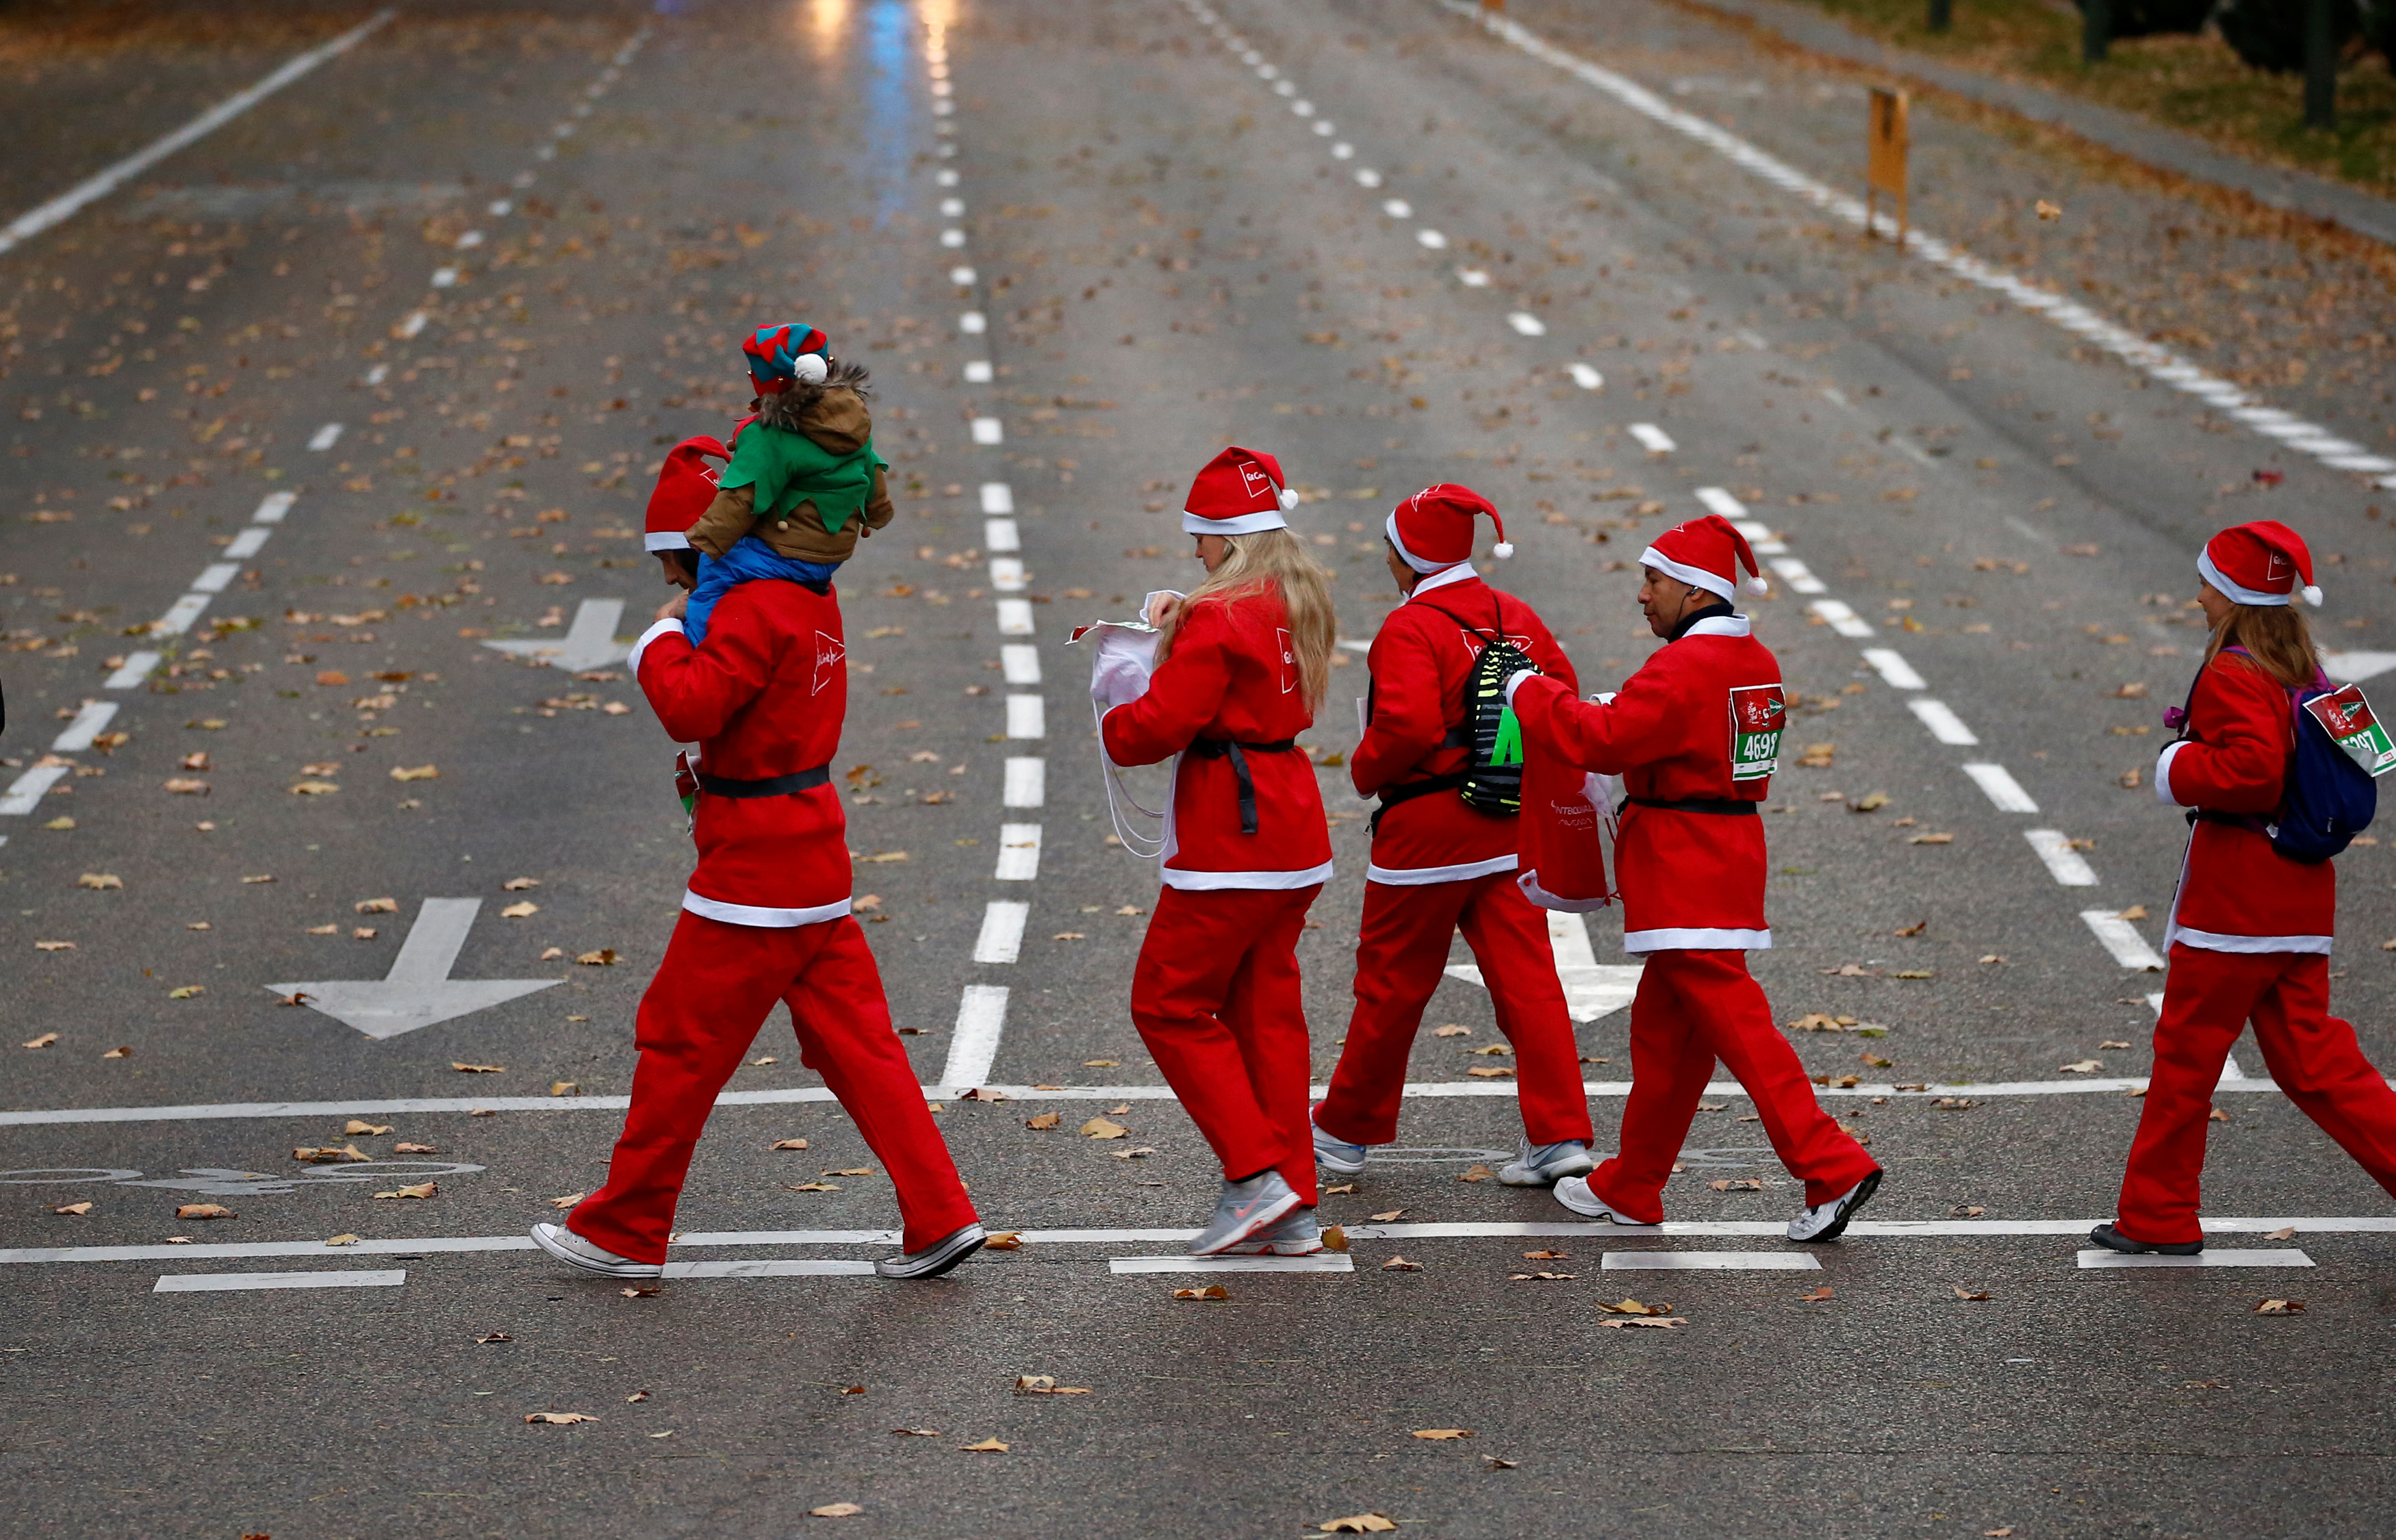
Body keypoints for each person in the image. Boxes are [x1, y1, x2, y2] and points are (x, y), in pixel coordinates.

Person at [531, 508, 984, 1283]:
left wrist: (660, 636)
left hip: (753, 872)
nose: (670, 580)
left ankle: (628, 1226)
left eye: (672, 563)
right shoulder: (807, 589)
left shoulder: (745, 605)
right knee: (860, 1049)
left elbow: (690, 707)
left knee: (677, 1041)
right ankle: (939, 1213)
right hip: (812, 853)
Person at [1503, 513, 1882, 1242]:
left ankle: (1830, 1163)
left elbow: (1599, 741)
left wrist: (1528, 690)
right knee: (1665, 1036)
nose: (1641, 595)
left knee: (1736, 1027)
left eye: (1652, 581)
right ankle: (1633, 1184)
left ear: (1694, 588)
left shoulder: (1683, 666)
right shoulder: (1752, 659)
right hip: (1724, 851)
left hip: (1681, 860)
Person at [2093, 519, 2396, 1255]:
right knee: (2313, 1062)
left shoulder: (2233, 670)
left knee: (2185, 1059)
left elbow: (2252, 773)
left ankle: (2157, 1215)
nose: (2195, 596)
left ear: (2228, 593)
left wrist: (2176, 764)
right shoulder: (2303, 668)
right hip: (2298, 898)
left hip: (2234, 908)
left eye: (2203, 582)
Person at [1311, 484, 1597, 1187]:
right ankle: (1559, 1135)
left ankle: (1345, 1131)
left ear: (1409, 556)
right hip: (1509, 822)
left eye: (1388, 546)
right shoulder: (1515, 615)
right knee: (1529, 981)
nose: (1384, 558)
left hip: (1425, 835)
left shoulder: (1410, 627)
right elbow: (1562, 696)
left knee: (1391, 982)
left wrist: (1361, 767)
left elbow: (1404, 727)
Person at [1098, 446, 1336, 1256]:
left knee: (1164, 1003)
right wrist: (1181, 618)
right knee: (1265, 1011)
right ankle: (1293, 1204)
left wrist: (1118, 698)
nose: (1192, 552)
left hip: (1231, 836)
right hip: (1292, 826)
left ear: (1224, 539)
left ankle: (1253, 1175)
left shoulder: (1214, 613)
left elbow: (1156, 729)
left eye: (1198, 539)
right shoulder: (1290, 596)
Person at [678, 322, 894, 644]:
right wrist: (877, 513)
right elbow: (870, 466)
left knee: (713, 572)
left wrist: (706, 538)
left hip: (788, 552)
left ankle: (700, 646)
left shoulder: (769, 435)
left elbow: (744, 495)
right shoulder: (850, 420)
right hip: (833, 551)